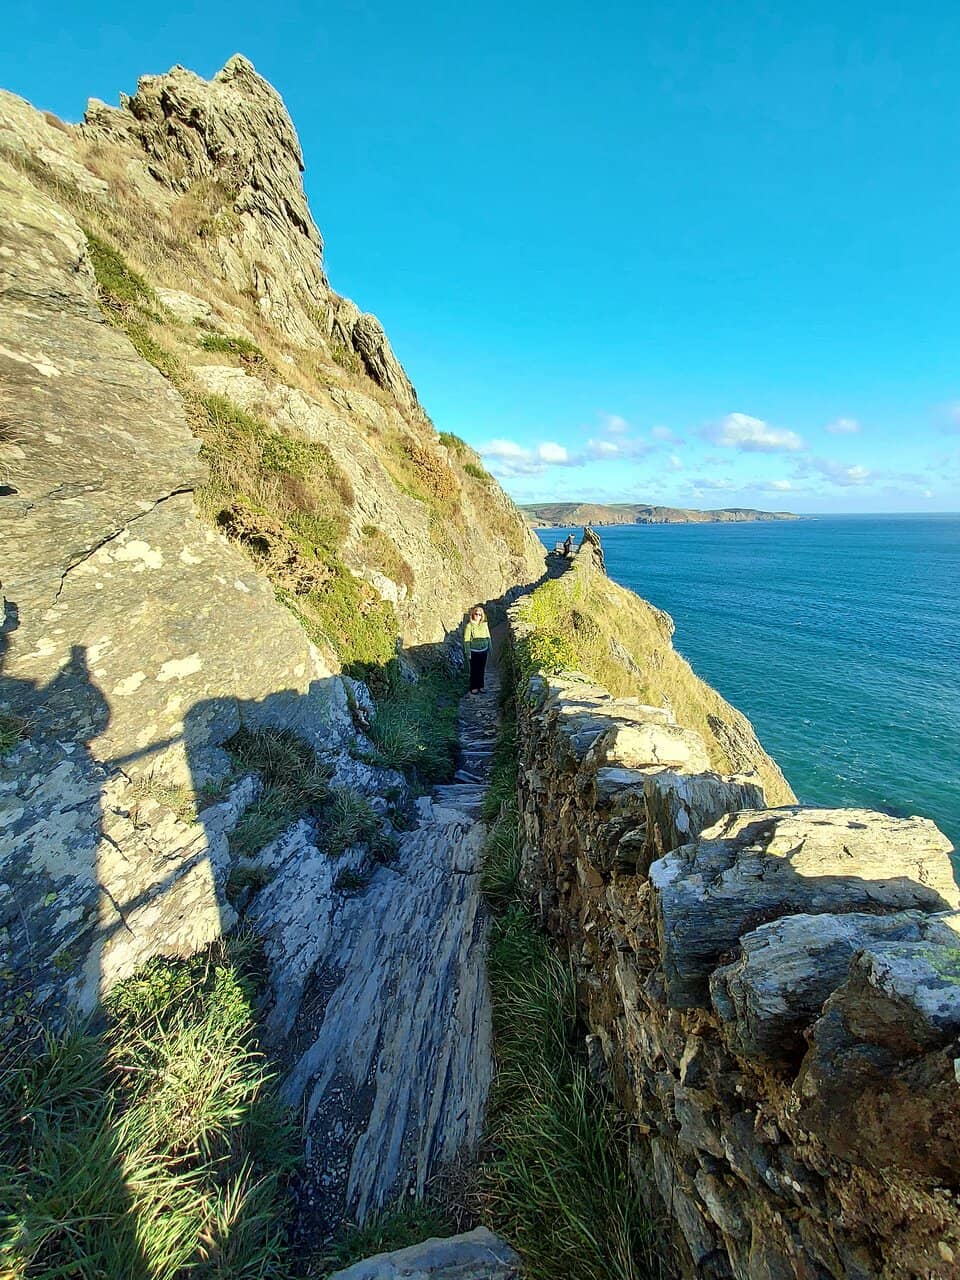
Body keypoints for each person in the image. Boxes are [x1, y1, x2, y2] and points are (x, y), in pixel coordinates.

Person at [463, 604, 491, 694]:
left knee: (481, 669)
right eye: (476, 614)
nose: (478, 616)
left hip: (483, 651)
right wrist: (468, 653)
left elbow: (488, 637)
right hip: (474, 651)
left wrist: (490, 648)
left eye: (480, 614)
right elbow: (466, 640)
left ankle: (481, 686)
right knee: (474, 670)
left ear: (482, 616)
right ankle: (473, 687)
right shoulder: (469, 626)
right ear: (473, 614)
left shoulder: (484, 625)